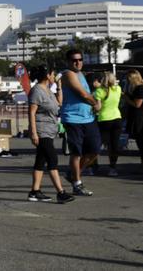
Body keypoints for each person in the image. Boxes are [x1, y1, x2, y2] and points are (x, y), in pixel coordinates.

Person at [26, 66, 74, 204]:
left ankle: (35, 191)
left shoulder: (48, 90)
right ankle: (61, 192)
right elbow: (31, 113)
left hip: (50, 130)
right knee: (52, 160)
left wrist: (59, 86)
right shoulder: (36, 91)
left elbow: (59, 103)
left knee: (40, 161)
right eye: (53, 74)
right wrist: (34, 133)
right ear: (47, 75)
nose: (54, 76)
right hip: (42, 131)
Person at [59, 48, 101, 196]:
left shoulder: (80, 74)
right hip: (73, 119)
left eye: (80, 59)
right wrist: (95, 103)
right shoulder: (68, 74)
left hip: (88, 118)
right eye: (74, 60)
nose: (77, 62)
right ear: (68, 62)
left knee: (94, 150)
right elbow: (83, 94)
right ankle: (77, 183)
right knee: (76, 153)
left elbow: (87, 93)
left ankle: (73, 174)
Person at [125, 70, 143, 174]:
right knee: (141, 142)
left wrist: (126, 98)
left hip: (140, 118)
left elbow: (137, 104)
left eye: (129, 78)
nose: (128, 80)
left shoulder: (140, 88)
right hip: (139, 117)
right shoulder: (140, 88)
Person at [93, 71, 123, 176]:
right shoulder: (118, 89)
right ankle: (113, 168)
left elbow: (98, 108)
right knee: (113, 145)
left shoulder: (99, 91)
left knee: (97, 144)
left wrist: (92, 108)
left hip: (104, 119)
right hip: (117, 118)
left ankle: (93, 166)